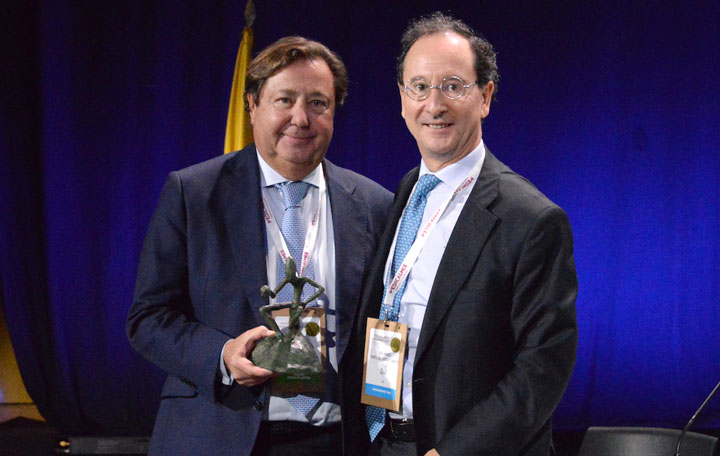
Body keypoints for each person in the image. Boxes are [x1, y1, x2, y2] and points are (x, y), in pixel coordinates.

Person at [127, 36, 392, 455]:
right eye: (284, 100)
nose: (300, 118)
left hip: (338, 440)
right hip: (220, 434)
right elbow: (148, 319)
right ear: (252, 105)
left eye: (318, 103)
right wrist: (223, 354)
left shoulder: (376, 205)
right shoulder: (194, 193)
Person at [340, 12, 578, 456]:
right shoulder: (408, 190)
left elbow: (543, 366)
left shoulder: (531, 219)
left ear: (485, 96)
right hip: (383, 442)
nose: (435, 104)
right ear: (402, 98)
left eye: (453, 85)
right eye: (420, 86)